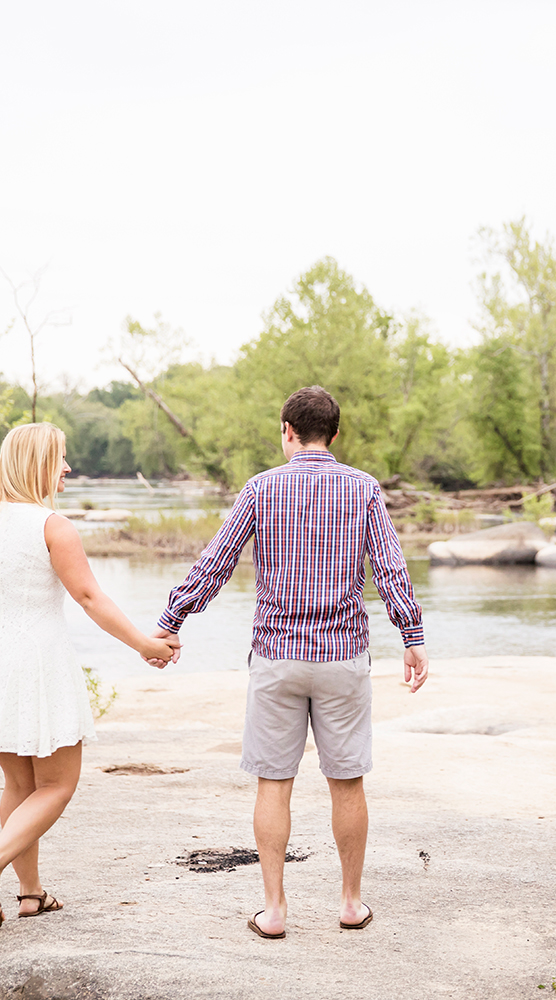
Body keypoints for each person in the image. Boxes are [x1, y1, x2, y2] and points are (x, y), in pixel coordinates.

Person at [151, 385, 428, 940]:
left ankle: (274, 911)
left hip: (277, 659)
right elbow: (391, 571)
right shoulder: (365, 489)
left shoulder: (261, 488)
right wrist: (412, 637)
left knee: (273, 783)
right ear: (336, 433)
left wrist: (170, 623)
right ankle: (350, 903)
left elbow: (217, 562)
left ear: (287, 430)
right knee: (346, 781)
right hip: (342, 657)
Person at [0, 422, 179, 930]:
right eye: (61, 458)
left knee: (19, 782)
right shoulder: (53, 525)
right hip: (36, 661)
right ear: (38, 464)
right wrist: (145, 644)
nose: (68, 468)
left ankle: (31, 894)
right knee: (57, 785)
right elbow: (90, 597)